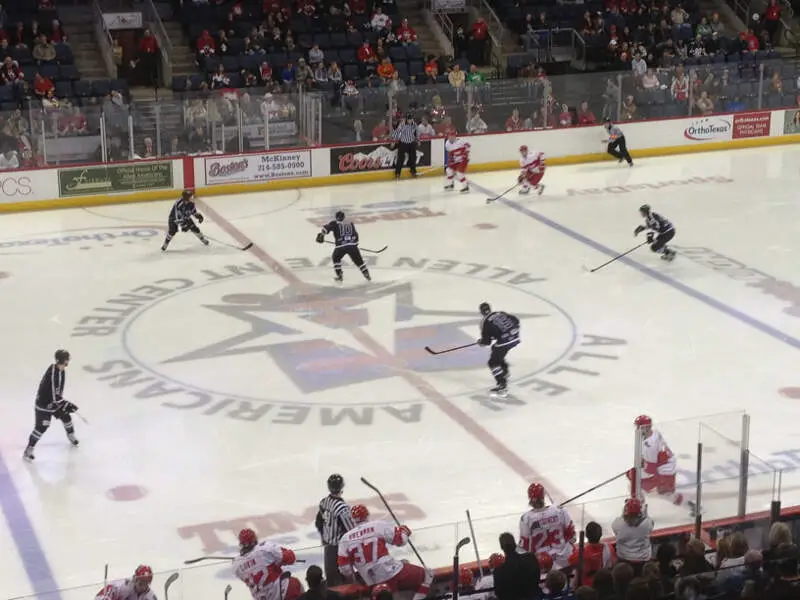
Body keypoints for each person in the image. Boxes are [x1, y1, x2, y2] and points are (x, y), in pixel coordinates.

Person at [337, 504, 432, 600]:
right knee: (427, 575)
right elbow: (401, 541)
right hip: (391, 572)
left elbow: (345, 569)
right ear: (367, 515)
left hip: (371, 581)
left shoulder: (345, 539)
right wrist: (404, 531)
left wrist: (360, 575)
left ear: (352, 519)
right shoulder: (378, 525)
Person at [628, 415, 696, 513]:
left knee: (635, 483)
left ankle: (640, 508)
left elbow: (650, 469)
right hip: (666, 467)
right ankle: (691, 506)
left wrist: (636, 471)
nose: (637, 429)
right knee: (664, 493)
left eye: (639, 427)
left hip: (664, 472)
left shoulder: (649, 445)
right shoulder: (654, 433)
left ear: (645, 428)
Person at [23, 349, 79, 461]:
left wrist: (65, 404)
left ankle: (71, 435)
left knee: (66, 416)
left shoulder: (61, 371)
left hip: (54, 403)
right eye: (67, 360)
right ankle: (29, 449)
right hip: (44, 405)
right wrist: (66, 403)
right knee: (41, 427)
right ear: (64, 361)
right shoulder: (54, 373)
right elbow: (54, 396)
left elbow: (57, 394)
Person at [233, 528, 303, 600]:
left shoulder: (236, 564)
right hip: (279, 591)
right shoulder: (264, 548)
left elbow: (252, 568)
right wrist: (277, 561)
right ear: (254, 539)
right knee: (294, 584)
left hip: (262, 597)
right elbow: (290, 558)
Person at [519, 483, 576, 570]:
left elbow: (525, 547)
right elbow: (573, 537)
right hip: (565, 559)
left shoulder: (526, 518)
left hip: (542, 564)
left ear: (530, 498)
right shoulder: (560, 511)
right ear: (543, 496)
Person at [315, 474, 355, 587]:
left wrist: (323, 536)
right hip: (339, 548)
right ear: (342, 486)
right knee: (343, 580)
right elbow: (351, 531)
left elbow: (319, 522)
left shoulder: (324, 502)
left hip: (328, 546)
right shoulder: (342, 508)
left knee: (331, 578)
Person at [315, 210, 371, 283]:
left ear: (336, 217)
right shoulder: (350, 223)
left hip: (341, 246)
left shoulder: (334, 223)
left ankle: (339, 276)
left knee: (336, 258)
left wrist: (321, 235)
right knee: (359, 261)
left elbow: (325, 229)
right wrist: (354, 244)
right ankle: (367, 274)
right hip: (352, 246)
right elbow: (356, 235)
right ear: (344, 217)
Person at [477, 302, 520, 397]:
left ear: (481, 312)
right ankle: (504, 372)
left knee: (493, 362)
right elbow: (516, 321)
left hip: (505, 341)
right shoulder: (500, 313)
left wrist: (481, 342)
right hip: (515, 337)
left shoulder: (485, 322)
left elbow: (486, 342)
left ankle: (502, 386)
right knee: (496, 351)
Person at [610, 498, 654, 575]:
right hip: (643, 561)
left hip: (624, 560)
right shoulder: (646, 524)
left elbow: (616, 528)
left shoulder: (618, 524)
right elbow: (650, 523)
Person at [494, 532, 541, 600]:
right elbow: (537, 579)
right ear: (515, 544)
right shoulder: (531, 558)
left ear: (502, 547)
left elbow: (499, 593)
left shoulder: (499, 571)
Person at [568, 522, 614, 587]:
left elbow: (570, 562)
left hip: (584, 587)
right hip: (602, 584)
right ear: (601, 534)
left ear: (586, 535)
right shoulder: (609, 548)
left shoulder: (580, 553)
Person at [391, 114, 419, 179]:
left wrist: (418, 140)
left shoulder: (414, 124)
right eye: (409, 119)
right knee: (400, 159)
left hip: (411, 143)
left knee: (413, 158)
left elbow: (417, 132)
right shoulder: (402, 124)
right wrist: (393, 141)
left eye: (411, 119)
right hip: (403, 143)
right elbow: (397, 132)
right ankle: (398, 173)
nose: (410, 121)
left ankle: (413, 171)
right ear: (407, 119)